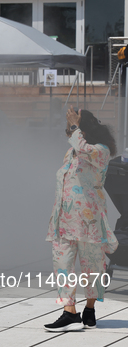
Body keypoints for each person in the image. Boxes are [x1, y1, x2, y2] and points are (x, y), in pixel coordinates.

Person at [44, 107, 119, 332]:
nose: (69, 131)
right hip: (65, 219)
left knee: (93, 267)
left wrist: (75, 128)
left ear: (84, 129)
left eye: (73, 127)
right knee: (62, 265)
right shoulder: (72, 152)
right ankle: (69, 312)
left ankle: (90, 309)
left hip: (89, 220)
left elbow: (85, 150)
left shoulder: (100, 150)